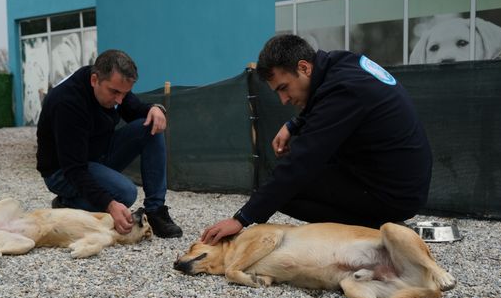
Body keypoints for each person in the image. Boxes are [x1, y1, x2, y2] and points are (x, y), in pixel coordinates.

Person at [202, 34, 432, 244]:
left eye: (284, 88)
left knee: (290, 188)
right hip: (395, 177)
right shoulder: (342, 64)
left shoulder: (344, 90)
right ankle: (376, 224)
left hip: (394, 193)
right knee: (297, 177)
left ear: (304, 67)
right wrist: (295, 124)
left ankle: (375, 231)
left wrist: (242, 218)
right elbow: (325, 104)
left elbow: (300, 164)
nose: (283, 99)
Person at [36, 49, 183, 238]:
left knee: (150, 126)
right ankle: (68, 204)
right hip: (63, 171)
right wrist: (110, 204)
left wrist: (156, 108)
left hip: (96, 155)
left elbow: (133, 109)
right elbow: (74, 169)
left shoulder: (112, 84)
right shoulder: (67, 103)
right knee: (125, 193)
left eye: (124, 93)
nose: (119, 100)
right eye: (115, 92)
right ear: (94, 80)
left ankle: (155, 211)